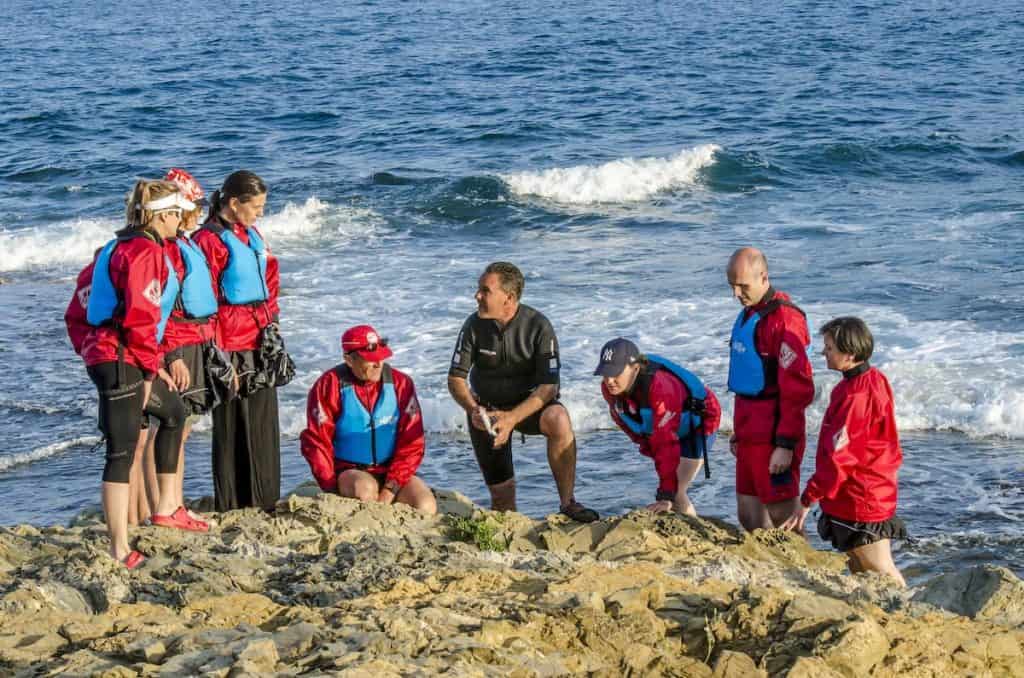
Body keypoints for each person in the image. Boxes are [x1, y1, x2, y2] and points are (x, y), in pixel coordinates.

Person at [64, 179, 193, 567]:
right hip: (121, 359)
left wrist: (148, 360)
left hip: (121, 355)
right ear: (164, 214)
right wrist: (150, 366)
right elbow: (140, 315)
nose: (182, 223)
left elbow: (82, 311)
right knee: (120, 451)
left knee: (173, 412)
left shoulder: (117, 247)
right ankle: (119, 547)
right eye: (178, 216)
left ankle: (168, 508)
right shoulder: (143, 252)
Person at [447, 262, 598, 522]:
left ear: (509, 298)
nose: (477, 296)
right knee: (503, 504)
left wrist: (512, 418)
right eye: (478, 289)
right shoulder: (473, 325)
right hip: (487, 414)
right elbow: (455, 379)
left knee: (558, 419)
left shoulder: (538, 325)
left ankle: (568, 502)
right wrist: (474, 409)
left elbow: (548, 387)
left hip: (530, 409)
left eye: (485, 290)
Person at [782, 317, 906, 586]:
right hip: (871, 485)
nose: (824, 353)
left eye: (829, 348)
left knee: (879, 567)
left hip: (860, 495)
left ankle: (912, 615)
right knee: (860, 566)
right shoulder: (874, 379)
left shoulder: (855, 396)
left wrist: (807, 498)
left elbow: (840, 458)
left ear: (849, 354)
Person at [191, 170, 285, 512]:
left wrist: (272, 326)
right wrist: (214, 352)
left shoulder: (252, 235)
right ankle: (233, 502)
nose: (260, 212)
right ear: (234, 203)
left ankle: (266, 498)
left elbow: (270, 280)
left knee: (263, 419)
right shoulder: (208, 240)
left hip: (260, 337)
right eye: (256, 206)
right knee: (231, 423)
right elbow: (206, 299)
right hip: (229, 341)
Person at [141, 168, 224, 531]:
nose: (193, 214)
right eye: (189, 207)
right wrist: (170, 356)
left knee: (183, 429)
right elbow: (161, 310)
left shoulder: (184, 242)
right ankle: (160, 505)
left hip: (196, 339)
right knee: (166, 428)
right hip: (177, 344)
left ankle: (174, 503)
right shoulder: (165, 249)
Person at [299, 325, 436, 514]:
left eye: (380, 356)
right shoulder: (328, 385)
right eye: (370, 359)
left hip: (391, 470)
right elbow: (317, 443)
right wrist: (330, 488)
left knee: (425, 506)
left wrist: (390, 489)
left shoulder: (401, 384)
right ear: (348, 359)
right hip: (351, 472)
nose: (378, 364)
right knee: (364, 491)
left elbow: (412, 443)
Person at [726, 247, 815, 531]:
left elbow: (797, 389)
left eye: (742, 286)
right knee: (749, 516)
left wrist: (785, 446)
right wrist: (738, 432)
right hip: (749, 429)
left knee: (783, 518)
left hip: (774, 434)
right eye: (731, 286)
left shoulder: (785, 320)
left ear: (763, 277)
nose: (736, 294)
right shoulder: (749, 315)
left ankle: (803, 571)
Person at [596, 338, 721, 516]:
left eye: (615, 372)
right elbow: (625, 421)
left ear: (636, 368)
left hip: (699, 422)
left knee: (676, 491)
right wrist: (646, 445)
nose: (609, 381)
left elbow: (665, 443)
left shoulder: (660, 389)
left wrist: (665, 496)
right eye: (605, 373)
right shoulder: (609, 388)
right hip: (669, 426)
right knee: (669, 479)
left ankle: (695, 536)